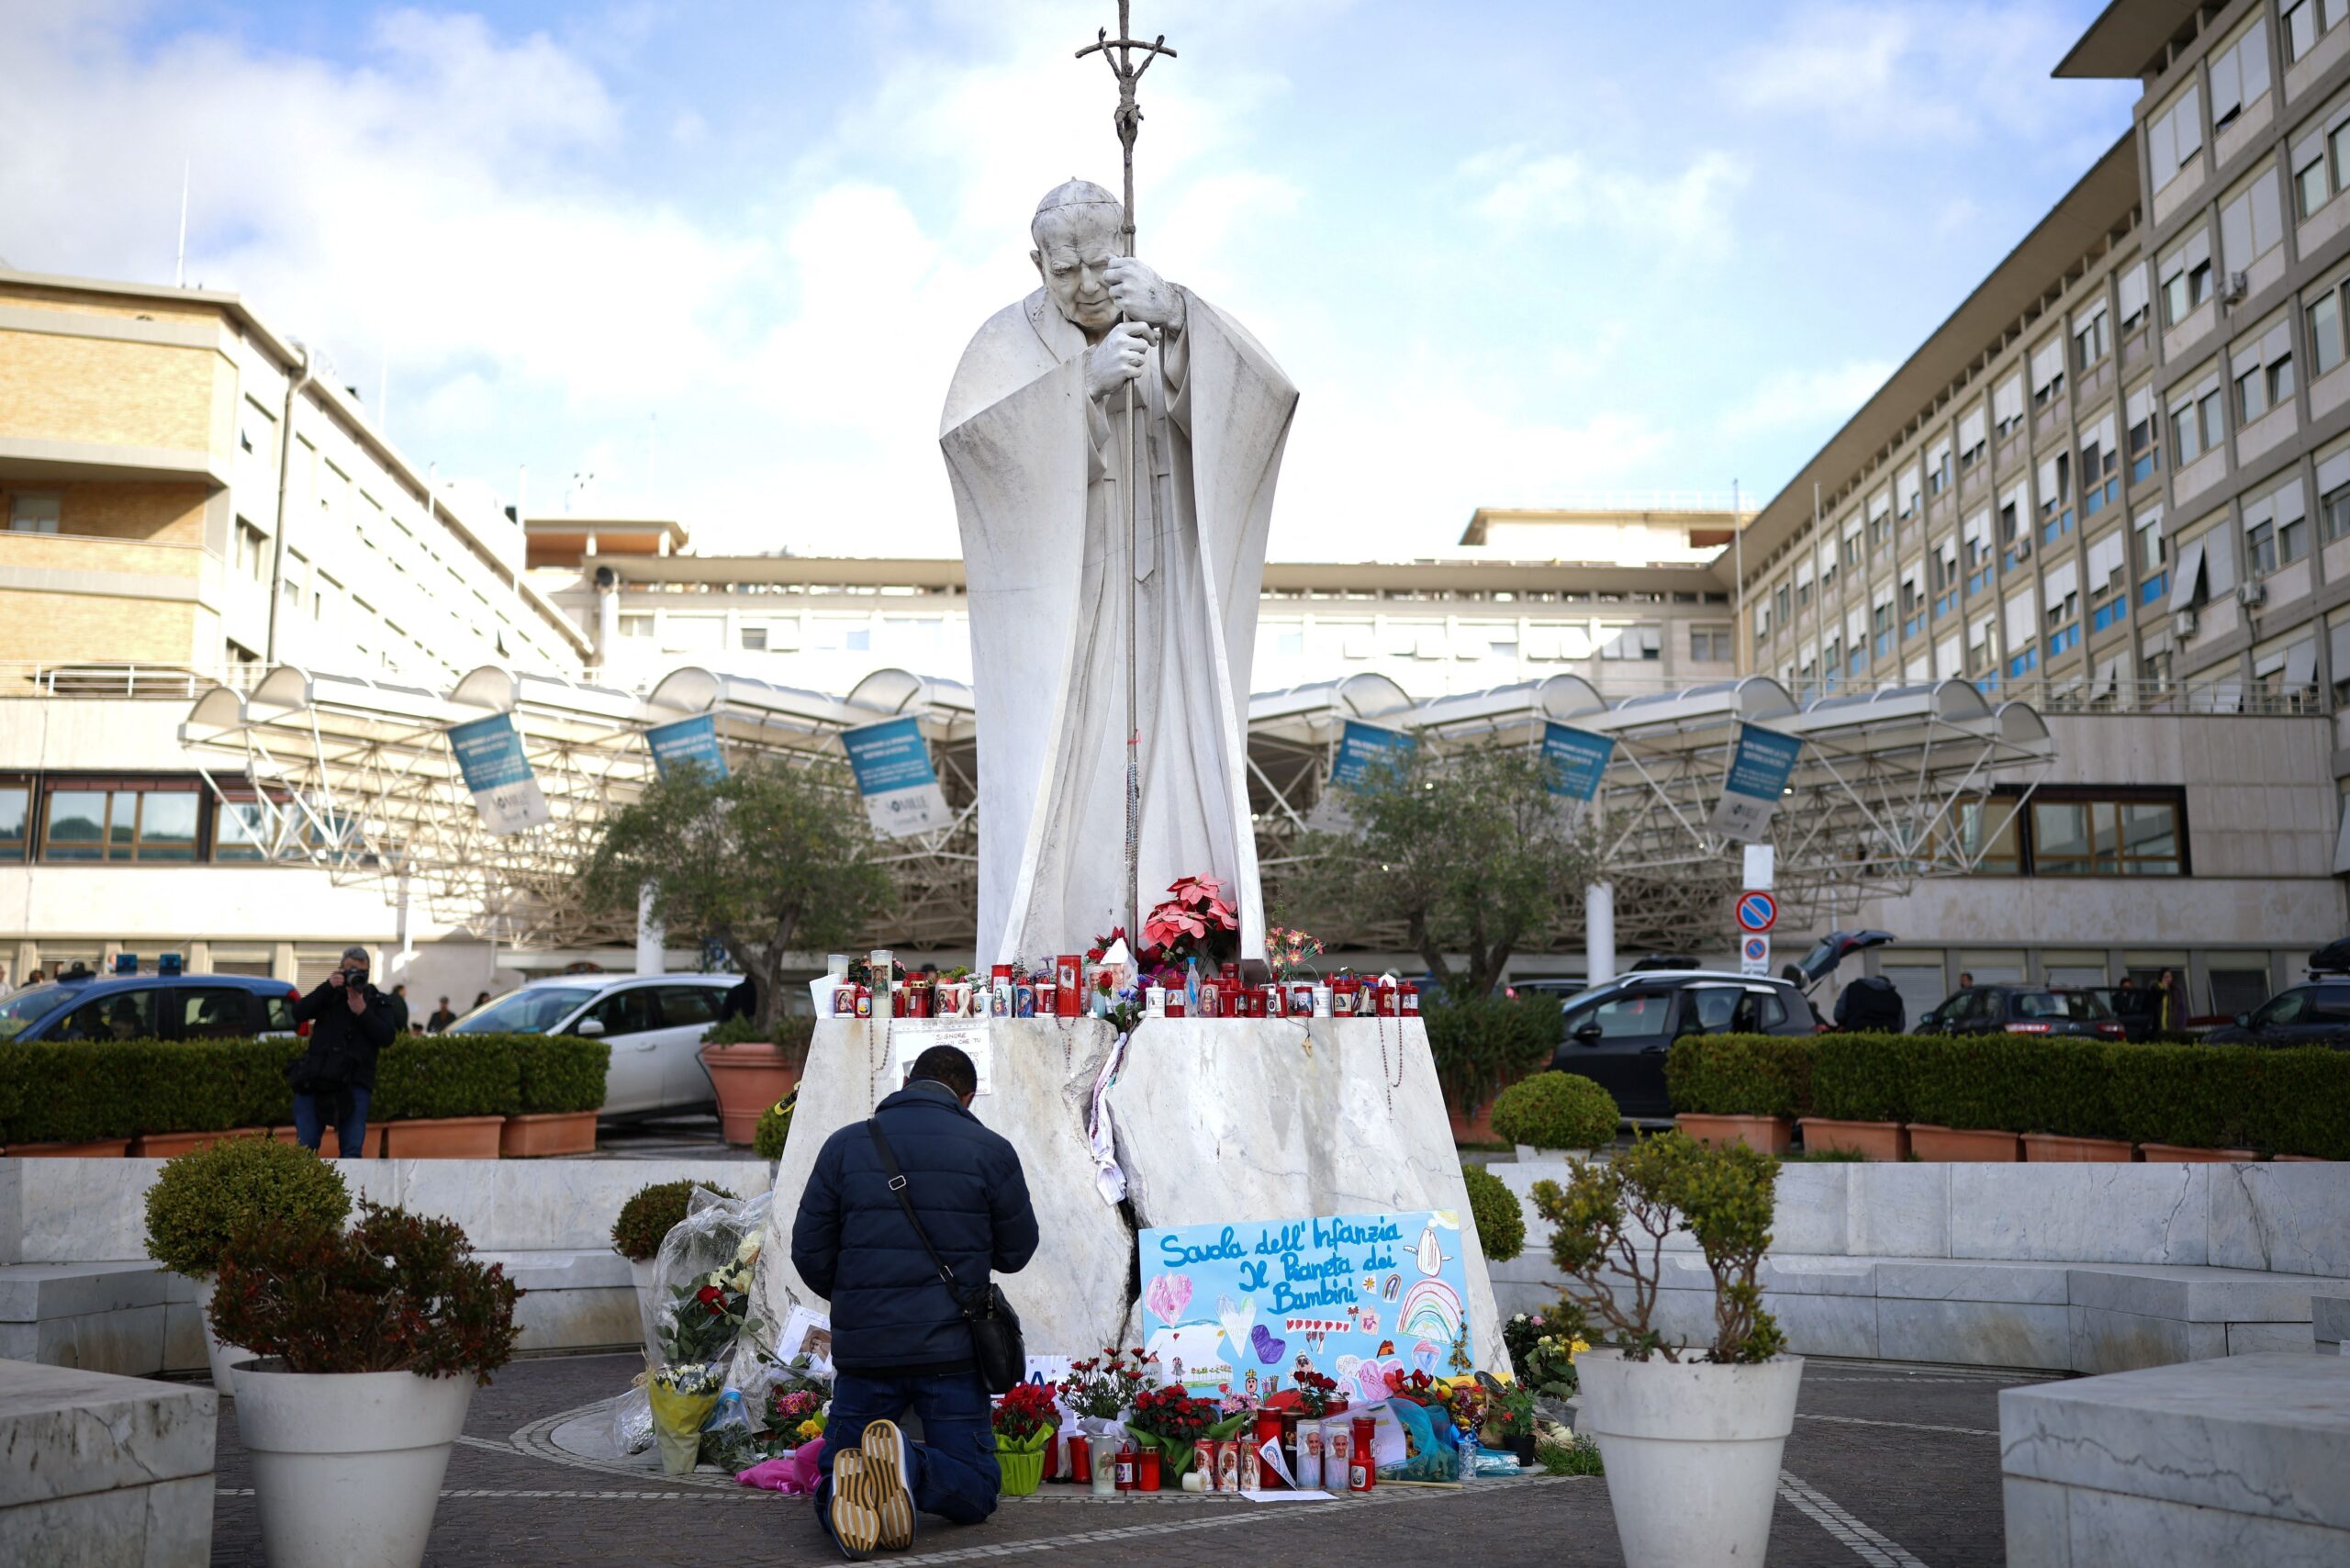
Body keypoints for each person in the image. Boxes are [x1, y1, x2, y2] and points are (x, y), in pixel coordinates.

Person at [792, 1045, 1038, 1556]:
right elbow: (1016, 1254)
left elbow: (809, 1252)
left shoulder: (844, 1146)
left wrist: (858, 1300)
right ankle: (910, 1466)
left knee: (837, 1475)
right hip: (950, 1353)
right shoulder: (990, 1150)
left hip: (866, 1355)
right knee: (976, 1490)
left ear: (906, 1083)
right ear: (966, 1098)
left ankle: (861, 1488)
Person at [287, 947, 394, 1158]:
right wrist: (327, 987)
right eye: (350, 970)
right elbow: (298, 1013)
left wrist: (362, 1011)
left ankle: (350, 1191)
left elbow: (387, 1037)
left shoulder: (377, 1001)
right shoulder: (329, 995)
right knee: (305, 1148)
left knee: (352, 1150)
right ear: (340, 970)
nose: (355, 976)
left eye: (360, 972)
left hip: (354, 1082)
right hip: (317, 1079)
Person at [1833, 973, 1905, 1033]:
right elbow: (1901, 1026)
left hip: (1856, 1036)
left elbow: (1838, 1015)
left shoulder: (1852, 987)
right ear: (1888, 984)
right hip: (1887, 1040)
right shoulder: (1896, 997)